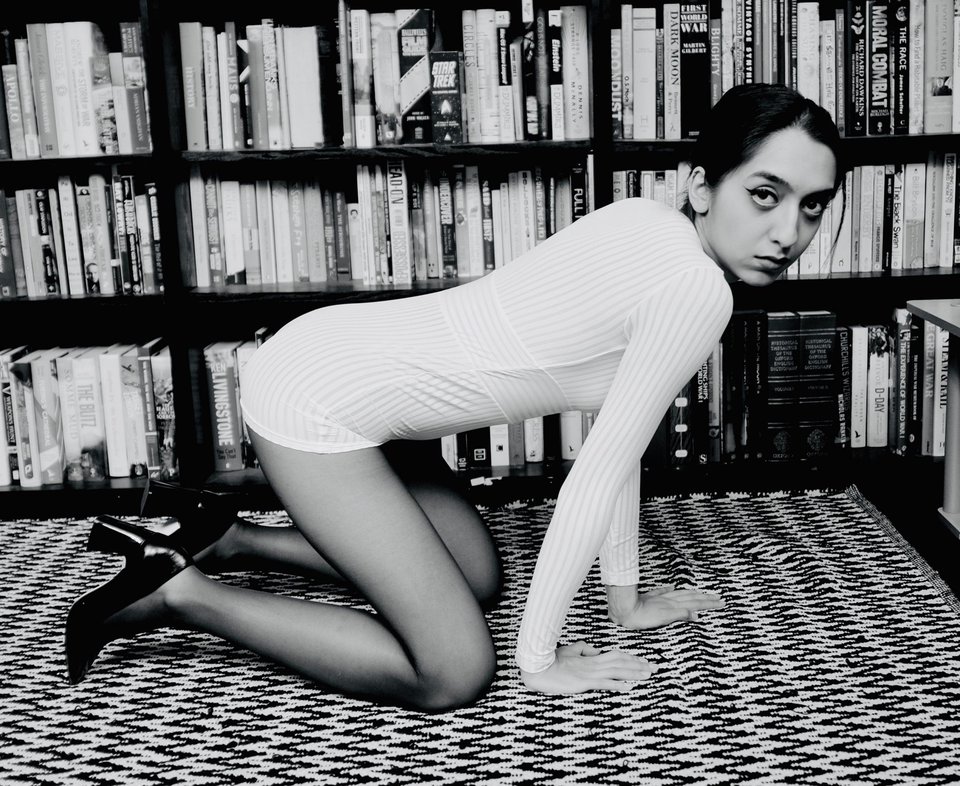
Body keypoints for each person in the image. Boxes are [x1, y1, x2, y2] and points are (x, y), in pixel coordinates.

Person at [65, 83, 845, 711]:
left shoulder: (646, 219)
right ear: (701, 186)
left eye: (812, 204)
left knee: (476, 578)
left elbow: (621, 441)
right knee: (453, 669)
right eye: (765, 194)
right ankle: (179, 591)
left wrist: (624, 601)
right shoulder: (695, 290)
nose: (788, 232)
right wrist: (538, 660)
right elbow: (595, 476)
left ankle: (228, 538)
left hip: (345, 363)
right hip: (316, 403)